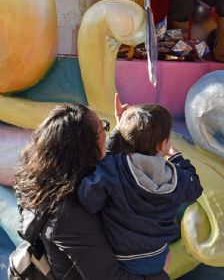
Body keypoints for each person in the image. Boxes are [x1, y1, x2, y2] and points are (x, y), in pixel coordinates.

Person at [13, 104, 169, 279]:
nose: (105, 132)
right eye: (102, 129)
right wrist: (161, 273)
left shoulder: (42, 179)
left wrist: (122, 131)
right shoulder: (69, 215)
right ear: (86, 149)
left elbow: (100, 160)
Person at [77, 104, 203, 276]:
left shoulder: (112, 167)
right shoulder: (175, 176)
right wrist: (177, 158)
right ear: (161, 146)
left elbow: (87, 197)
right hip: (157, 257)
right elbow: (195, 187)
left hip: (121, 257)